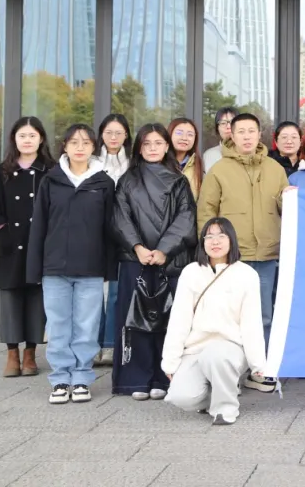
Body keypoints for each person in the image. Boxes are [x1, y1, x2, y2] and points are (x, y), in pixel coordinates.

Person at [27, 124, 118, 405]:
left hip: (90, 268)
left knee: (87, 326)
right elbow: (39, 225)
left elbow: (110, 228)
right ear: (64, 146)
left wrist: (110, 268)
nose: (80, 147)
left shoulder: (104, 183)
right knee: (58, 325)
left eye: (86, 143)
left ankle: (81, 378)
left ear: (94, 148)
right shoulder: (51, 180)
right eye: (74, 142)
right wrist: (35, 267)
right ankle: (60, 379)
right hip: (55, 267)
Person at [197, 113, 287, 393]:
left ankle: (261, 370)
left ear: (260, 134)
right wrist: (211, 251)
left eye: (251, 131)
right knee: (229, 317)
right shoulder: (219, 170)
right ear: (231, 135)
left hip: (266, 254)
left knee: (264, 316)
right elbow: (206, 212)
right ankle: (229, 373)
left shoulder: (275, 168)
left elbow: (286, 209)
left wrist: (289, 199)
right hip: (233, 257)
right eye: (241, 131)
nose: (247, 136)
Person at [112, 123, 198, 401]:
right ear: (139, 147)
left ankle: (163, 377)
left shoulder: (178, 181)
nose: (152, 148)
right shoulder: (127, 180)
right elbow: (120, 217)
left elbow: (186, 217)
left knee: (169, 319)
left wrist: (163, 250)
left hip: (169, 261)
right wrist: (137, 246)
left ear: (166, 146)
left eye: (158, 143)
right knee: (134, 320)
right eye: (146, 143)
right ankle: (135, 379)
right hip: (134, 260)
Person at [163, 217, 268, 426]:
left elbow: (251, 322)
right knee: (180, 397)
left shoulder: (246, 275)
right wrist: (170, 361)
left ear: (232, 240)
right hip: (196, 349)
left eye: (221, 236)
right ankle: (215, 394)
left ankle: (226, 408)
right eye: (209, 237)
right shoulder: (191, 272)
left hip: (230, 349)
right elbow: (179, 319)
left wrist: (258, 363)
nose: (215, 241)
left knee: (217, 355)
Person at [0, 116, 56, 379]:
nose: (27, 140)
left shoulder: (50, 171)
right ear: (14, 139)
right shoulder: (3, 171)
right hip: (11, 244)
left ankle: (30, 354)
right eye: (22, 136)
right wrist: (1, 227)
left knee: (36, 298)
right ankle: (12, 353)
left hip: (40, 244)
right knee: (11, 298)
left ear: (41, 139)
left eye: (32, 136)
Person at [95, 114, 132, 367]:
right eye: (109, 132)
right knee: (93, 291)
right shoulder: (92, 161)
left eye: (119, 132)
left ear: (126, 135)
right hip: (95, 232)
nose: (114, 137)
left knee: (117, 291)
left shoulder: (133, 163)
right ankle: (92, 344)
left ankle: (109, 344)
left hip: (123, 233)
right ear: (101, 134)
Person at [169, 117, 203, 200]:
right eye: (179, 133)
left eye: (190, 134)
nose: (184, 138)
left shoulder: (198, 165)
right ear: (169, 134)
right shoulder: (160, 163)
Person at [203, 107, 237, 172]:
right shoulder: (209, 155)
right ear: (217, 128)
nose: (228, 126)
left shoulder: (249, 153)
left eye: (232, 122)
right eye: (223, 123)